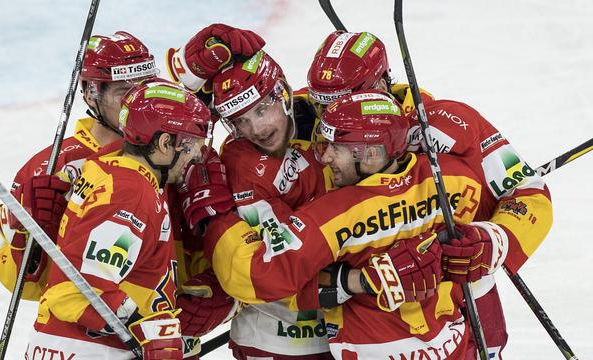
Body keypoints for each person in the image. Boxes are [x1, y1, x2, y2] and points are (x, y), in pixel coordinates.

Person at [187, 89, 551, 359]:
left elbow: (254, 273)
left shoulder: (333, 213)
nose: (323, 154)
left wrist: (219, 217)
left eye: (336, 146)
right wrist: (491, 239)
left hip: (408, 339)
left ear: (373, 152)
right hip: (446, 343)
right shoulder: (456, 177)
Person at [305, 30, 553, 358]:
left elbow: (529, 194)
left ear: (379, 87)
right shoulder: (307, 124)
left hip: (455, 300)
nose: (326, 118)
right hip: (358, 318)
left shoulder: (442, 124)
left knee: (488, 344)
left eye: (336, 103)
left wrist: (493, 240)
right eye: (319, 104)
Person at [168, 25, 336, 358]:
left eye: (261, 110)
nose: (256, 129)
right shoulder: (240, 161)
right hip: (275, 339)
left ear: (283, 93)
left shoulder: (329, 114)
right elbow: (281, 262)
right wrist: (190, 82)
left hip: (349, 331)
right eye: (239, 121)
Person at [26, 78, 211, 359]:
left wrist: (163, 327)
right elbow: (75, 289)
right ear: (163, 143)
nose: (197, 155)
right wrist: (147, 332)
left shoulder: (114, 169)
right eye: (191, 144)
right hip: (88, 351)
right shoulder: (131, 193)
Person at [0, 31, 158, 301]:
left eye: (144, 87)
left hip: (161, 330)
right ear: (91, 93)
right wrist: (28, 236)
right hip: (90, 328)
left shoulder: (170, 150)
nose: (139, 102)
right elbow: (23, 285)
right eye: (124, 91)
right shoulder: (47, 169)